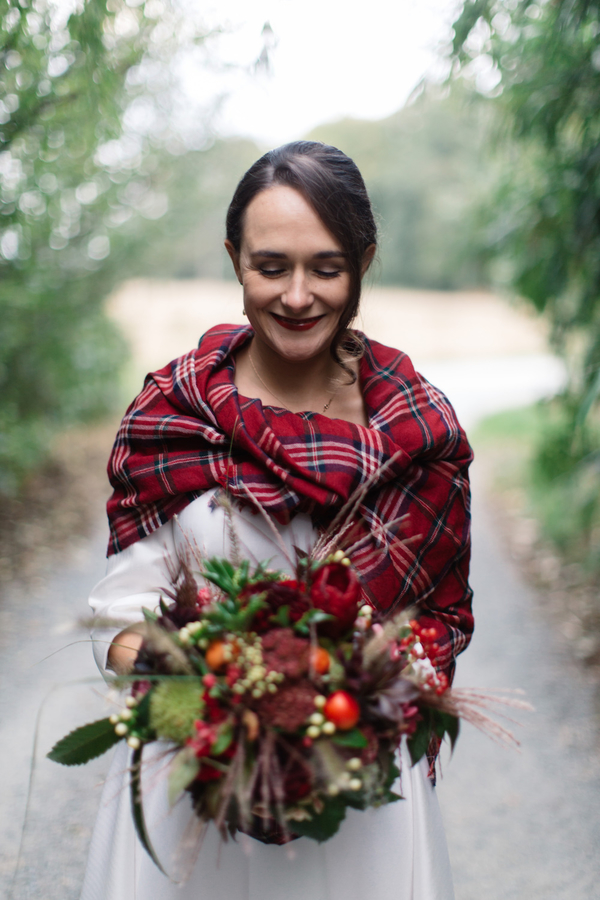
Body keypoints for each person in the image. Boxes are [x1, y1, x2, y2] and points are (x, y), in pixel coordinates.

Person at [81, 141, 474, 900]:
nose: (297, 296)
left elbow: (438, 629)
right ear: (235, 260)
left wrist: (352, 694)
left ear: (363, 263)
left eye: (326, 268)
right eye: (271, 266)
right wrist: (216, 686)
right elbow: (118, 622)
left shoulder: (418, 429)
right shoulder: (172, 414)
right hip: (194, 796)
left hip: (360, 804)